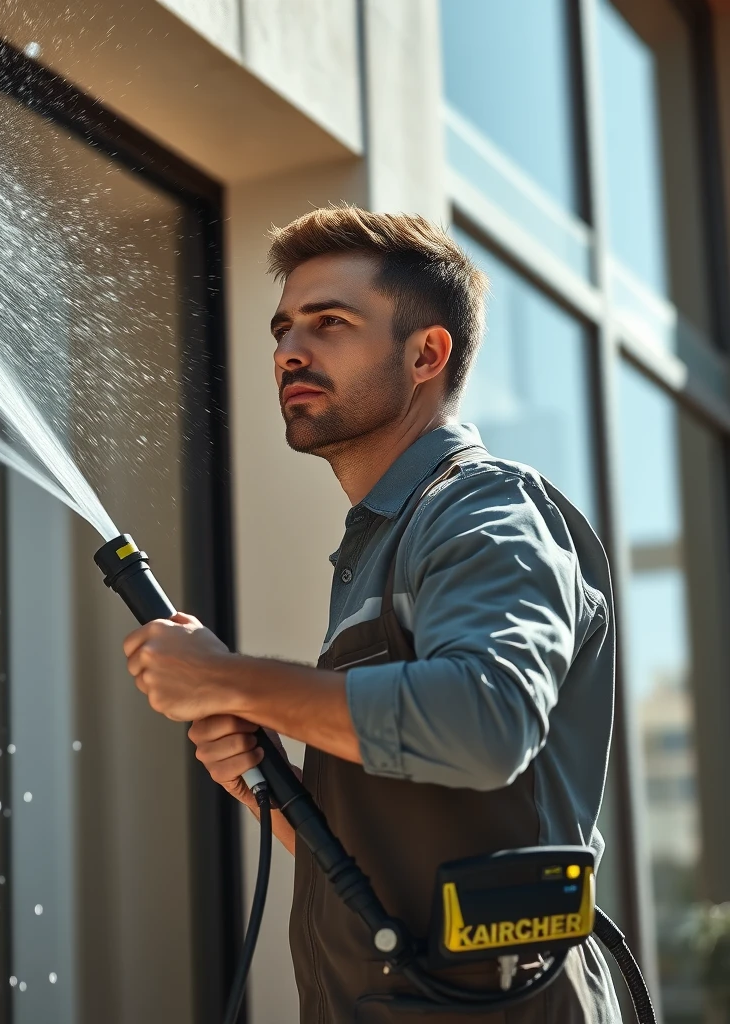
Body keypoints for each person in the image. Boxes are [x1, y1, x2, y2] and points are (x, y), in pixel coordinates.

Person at [122, 207, 621, 1023]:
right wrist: (267, 789)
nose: (290, 349)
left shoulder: (484, 509)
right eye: (284, 328)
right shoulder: (380, 545)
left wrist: (230, 679)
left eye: (331, 324)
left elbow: (486, 723)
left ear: (427, 353)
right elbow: (390, 865)